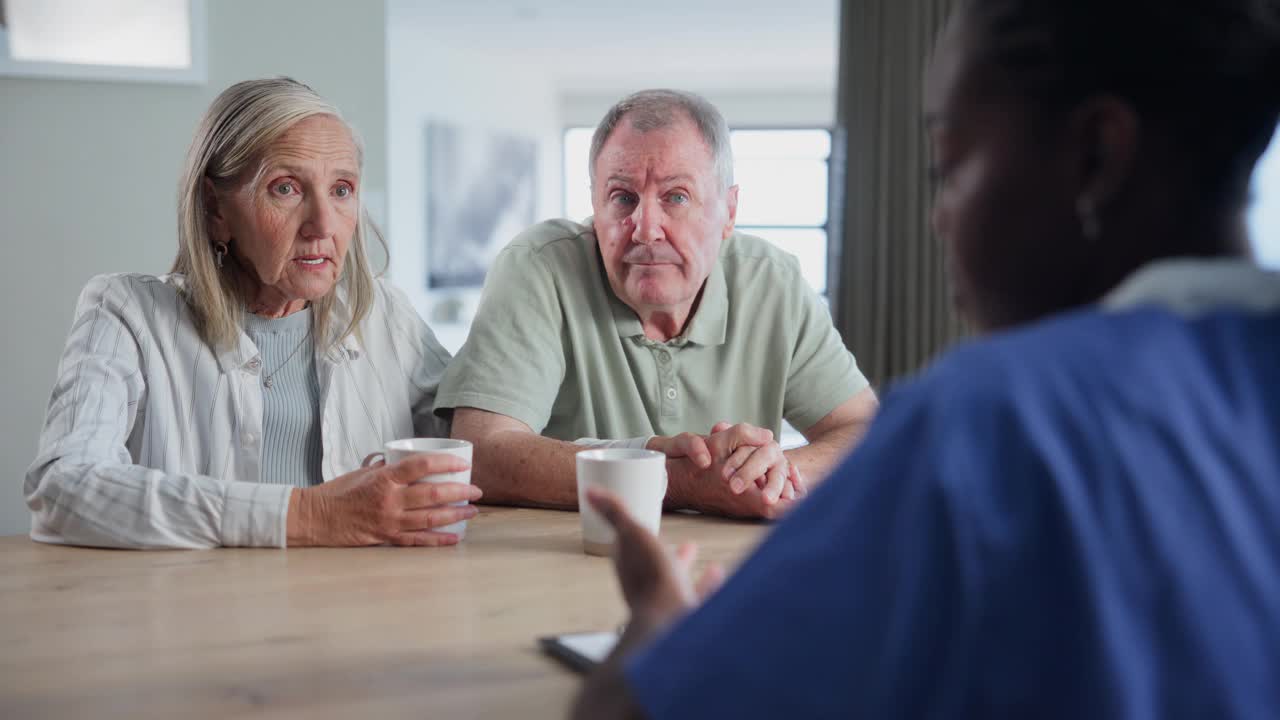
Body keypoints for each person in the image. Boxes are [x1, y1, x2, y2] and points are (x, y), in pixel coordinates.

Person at [574, 0, 1280, 716]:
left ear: (1095, 155)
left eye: (949, 163)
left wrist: (658, 632)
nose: (940, 217)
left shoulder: (988, 425)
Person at [25, 78, 481, 550]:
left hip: (354, 610)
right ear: (214, 208)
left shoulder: (384, 315)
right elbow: (62, 488)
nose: (323, 224)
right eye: (285, 188)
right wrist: (310, 514)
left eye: (341, 189)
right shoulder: (126, 312)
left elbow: (476, 445)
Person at [436, 89, 879, 519]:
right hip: (570, 565)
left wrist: (767, 474)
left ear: (729, 211)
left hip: (733, 574)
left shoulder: (774, 282)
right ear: (594, 203)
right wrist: (679, 481)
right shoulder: (539, 268)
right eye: (623, 197)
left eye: (676, 197)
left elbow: (866, 433)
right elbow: (482, 453)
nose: (646, 229)